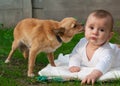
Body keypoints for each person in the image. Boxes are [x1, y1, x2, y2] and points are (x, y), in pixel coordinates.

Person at [69, 9, 115, 85]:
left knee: (115, 50)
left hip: (116, 55)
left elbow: (104, 64)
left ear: (109, 36)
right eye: (91, 28)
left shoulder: (106, 50)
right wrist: (74, 64)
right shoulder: (82, 42)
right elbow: (75, 54)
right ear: (85, 29)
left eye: (101, 30)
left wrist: (94, 74)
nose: (95, 32)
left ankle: (115, 47)